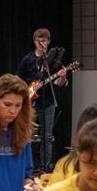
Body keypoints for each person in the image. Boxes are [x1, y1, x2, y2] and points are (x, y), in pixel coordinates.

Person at [16, 28, 68, 172]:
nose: (41, 43)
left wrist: (62, 76)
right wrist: (28, 90)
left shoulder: (54, 63)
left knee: (47, 136)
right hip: (31, 102)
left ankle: (46, 167)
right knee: (28, 134)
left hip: (48, 102)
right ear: (34, 42)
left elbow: (59, 83)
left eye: (44, 40)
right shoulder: (28, 59)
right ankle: (28, 166)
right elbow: (17, 78)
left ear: (48, 42)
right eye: (39, 40)